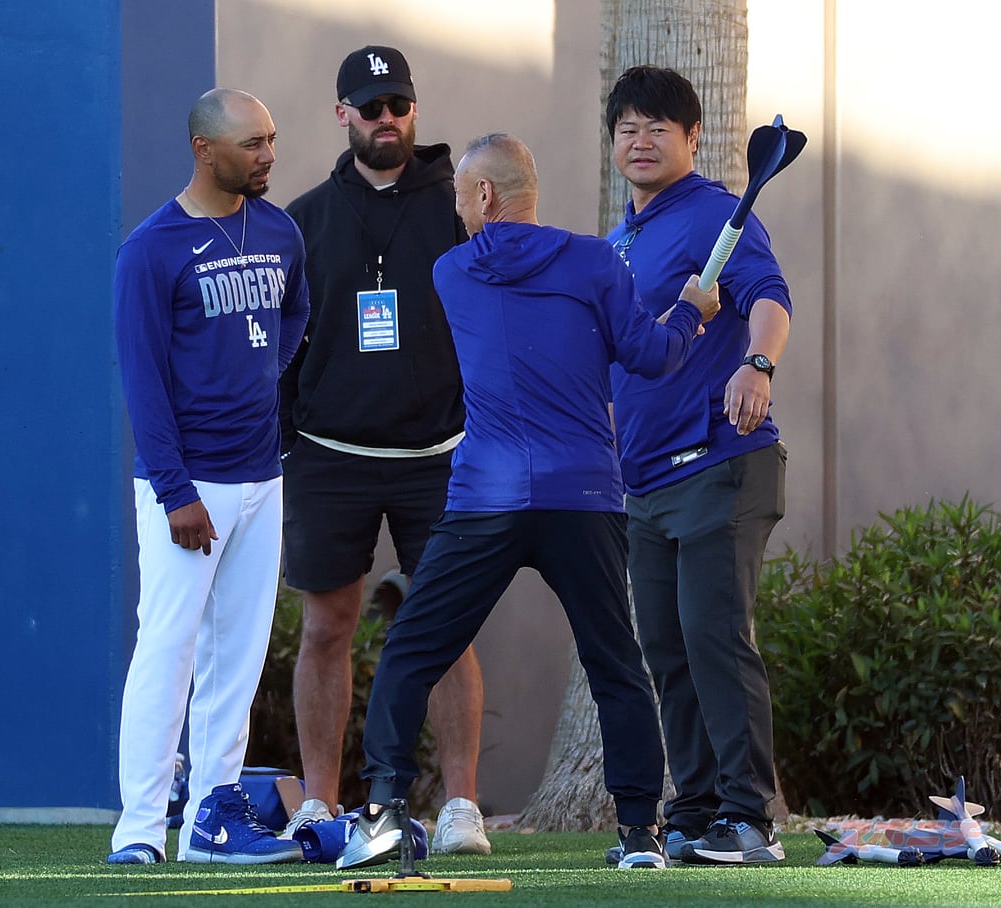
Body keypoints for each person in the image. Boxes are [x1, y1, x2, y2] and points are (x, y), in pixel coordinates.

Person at [335, 132, 721, 872]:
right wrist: (691, 310)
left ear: (484, 195)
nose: (458, 210)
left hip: (488, 497)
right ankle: (639, 836)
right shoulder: (597, 262)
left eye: (461, 196)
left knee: (412, 650)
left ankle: (382, 814)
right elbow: (655, 356)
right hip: (585, 495)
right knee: (616, 664)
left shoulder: (453, 272)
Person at [279, 45, 489, 855]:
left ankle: (462, 807)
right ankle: (319, 804)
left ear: (414, 109)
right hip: (329, 454)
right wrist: (284, 437)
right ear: (343, 114)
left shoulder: (459, 208)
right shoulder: (304, 220)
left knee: (447, 628)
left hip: (441, 453)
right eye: (370, 107)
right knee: (327, 626)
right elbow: (284, 349)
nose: (386, 119)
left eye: (398, 104)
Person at [108, 88, 310, 865]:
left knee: (238, 659)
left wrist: (257, 382)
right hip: (190, 484)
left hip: (262, 475)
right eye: (251, 143)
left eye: (271, 138)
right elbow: (143, 382)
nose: (268, 154)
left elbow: (296, 314)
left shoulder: (279, 230)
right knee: (167, 650)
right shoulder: (151, 249)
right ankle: (138, 829)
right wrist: (175, 491)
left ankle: (211, 821)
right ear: (204, 149)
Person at [604, 65, 792, 865]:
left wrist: (757, 363)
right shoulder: (618, 241)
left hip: (720, 461)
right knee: (669, 650)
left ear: (692, 138)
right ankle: (696, 809)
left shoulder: (715, 213)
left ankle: (750, 819)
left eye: (659, 128)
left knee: (715, 637)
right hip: (643, 481)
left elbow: (770, 296)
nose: (642, 141)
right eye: (628, 128)